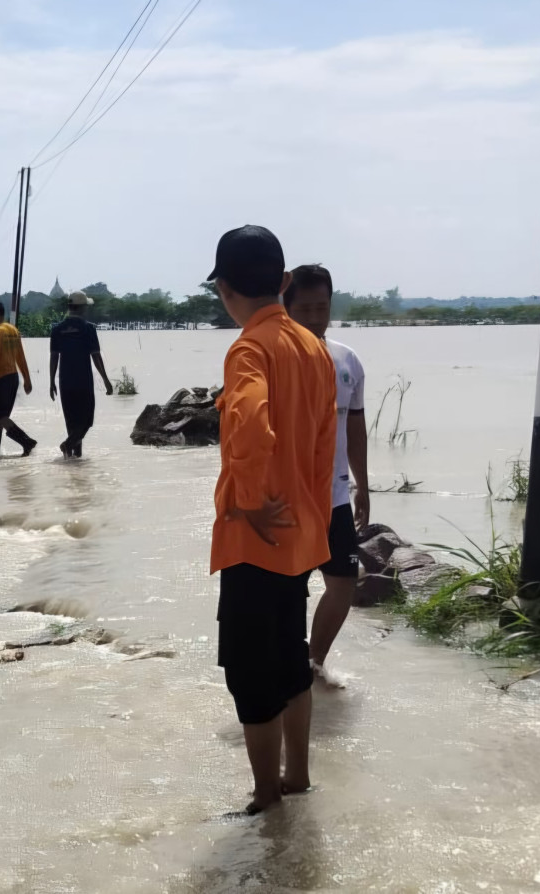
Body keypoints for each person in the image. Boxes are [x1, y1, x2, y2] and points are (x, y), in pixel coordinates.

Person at [208, 226, 336, 814]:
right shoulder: (313, 347)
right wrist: (302, 511)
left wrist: (255, 501)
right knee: (290, 657)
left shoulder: (248, 349)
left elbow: (253, 425)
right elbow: (322, 444)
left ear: (224, 289)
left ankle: (265, 795)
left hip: (255, 536)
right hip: (301, 533)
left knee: (250, 673)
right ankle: (299, 776)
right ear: (284, 283)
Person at [283, 264, 369, 680]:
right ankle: (284, 668)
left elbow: (355, 426)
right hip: (292, 499)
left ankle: (312, 664)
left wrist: (363, 486)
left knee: (343, 584)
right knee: (287, 593)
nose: (316, 318)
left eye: (323, 308)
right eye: (306, 309)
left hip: (335, 498)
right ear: (287, 306)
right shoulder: (274, 358)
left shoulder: (347, 360)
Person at [49, 290, 114, 458]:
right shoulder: (88, 329)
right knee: (86, 421)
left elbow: (54, 357)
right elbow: (96, 356)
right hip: (83, 382)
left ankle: (74, 461)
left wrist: (51, 381)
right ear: (82, 308)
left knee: (71, 423)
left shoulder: (57, 329)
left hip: (65, 382)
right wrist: (106, 380)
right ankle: (68, 446)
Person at [0, 301, 37, 456]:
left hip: (0, 379)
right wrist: (27, 378)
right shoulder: (13, 329)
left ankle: (27, 441)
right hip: (13, 378)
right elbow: (21, 356)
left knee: (1, 416)